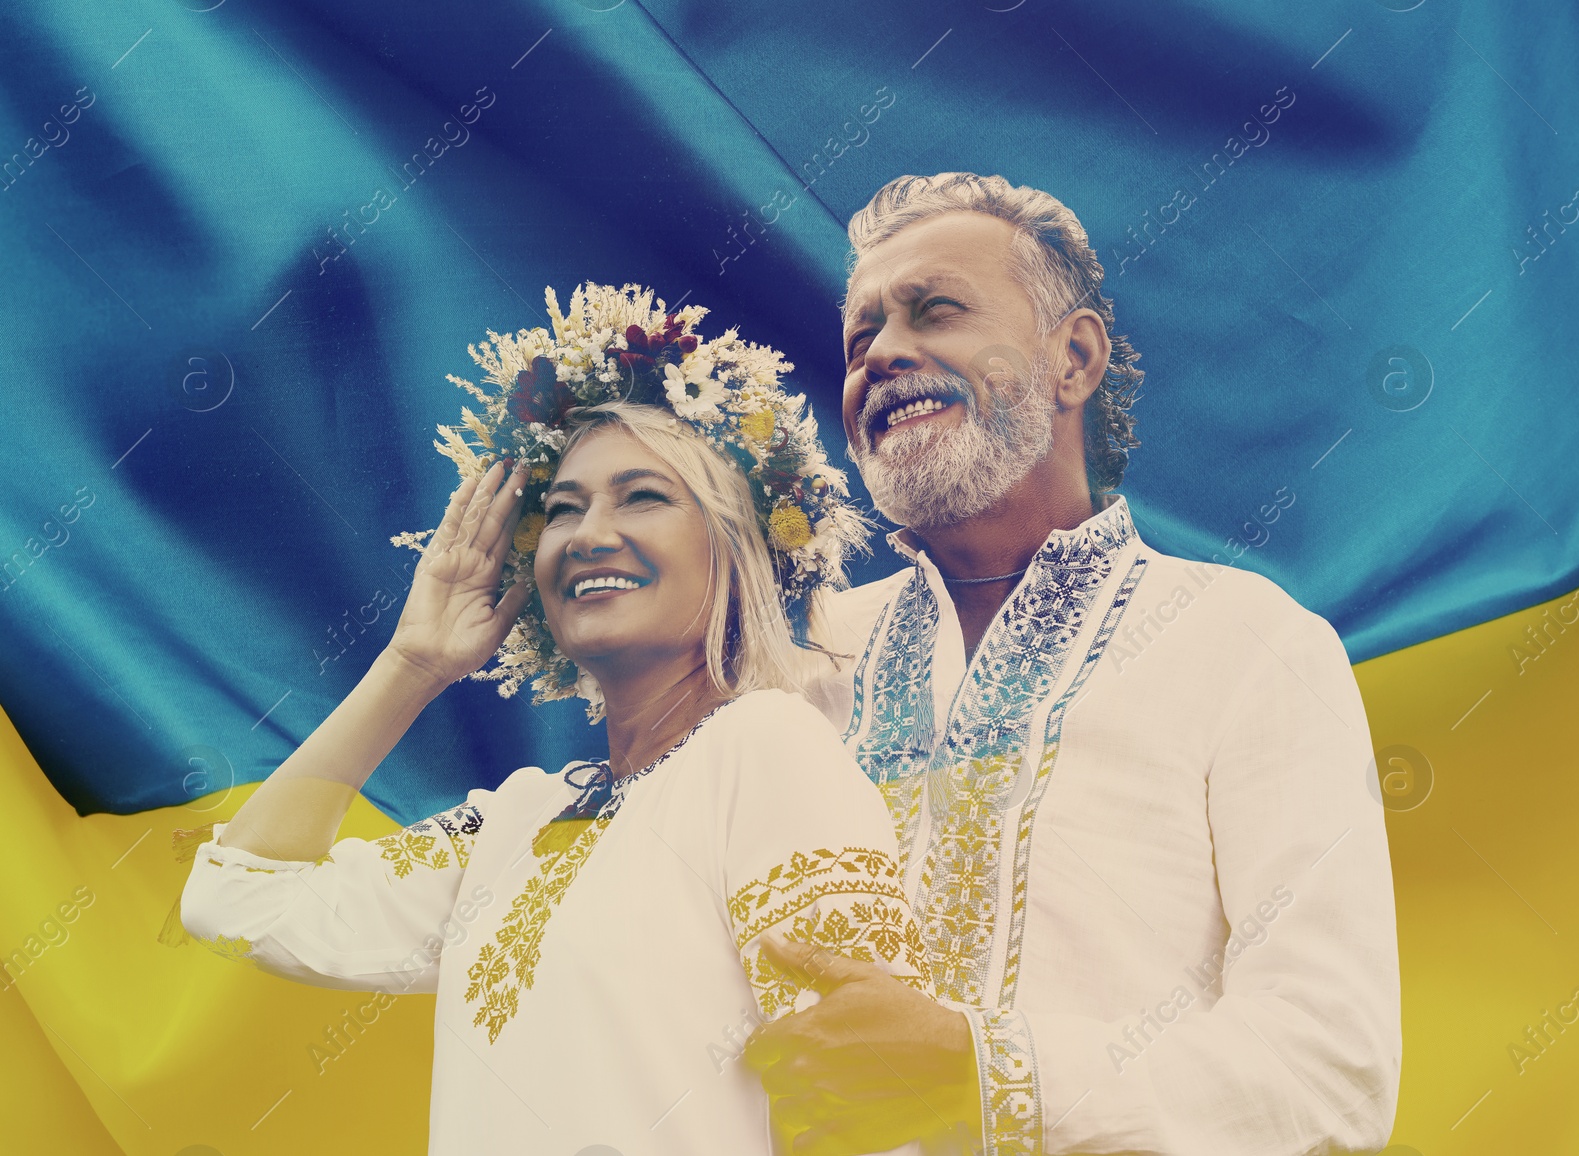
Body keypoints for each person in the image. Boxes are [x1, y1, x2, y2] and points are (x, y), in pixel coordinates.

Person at [178, 286, 931, 1155]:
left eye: (642, 497)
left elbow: (875, 1099)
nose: (587, 534)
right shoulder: (520, 818)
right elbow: (234, 897)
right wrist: (409, 668)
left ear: (738, 546)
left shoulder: (766, 748)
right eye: (564, 509)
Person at [742, 173, 1403, 1156]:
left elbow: (1331, 1072)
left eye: (936, 310)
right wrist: (420, 663)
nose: (880, 354)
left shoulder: (1245, 641)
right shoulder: (798, 678)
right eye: (858, 338)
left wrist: (981, 1073)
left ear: (1074, 356)